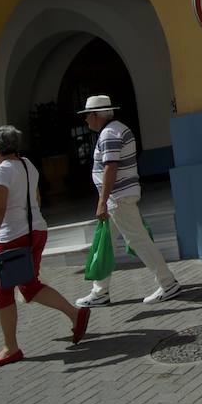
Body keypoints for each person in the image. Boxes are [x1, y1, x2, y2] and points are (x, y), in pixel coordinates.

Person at [0, 125, 89, 368]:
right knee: (29, 285)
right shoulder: (27, 165)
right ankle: (74, 313)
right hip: (36, 230)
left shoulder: (1, 173)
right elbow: (36, 198)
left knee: (3, 292)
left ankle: (10, 348)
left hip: (11, 236)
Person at [75, 95, 182, 307]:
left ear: (96, 115)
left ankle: (167, 283)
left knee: (138, 240)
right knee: (109, 244)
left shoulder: (109, 134)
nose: (86, 120)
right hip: (120, 198)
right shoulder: (117, 129)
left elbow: (110, 168)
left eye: (87, 116)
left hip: (118, 199)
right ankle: (100, 292)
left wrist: (102, 201)